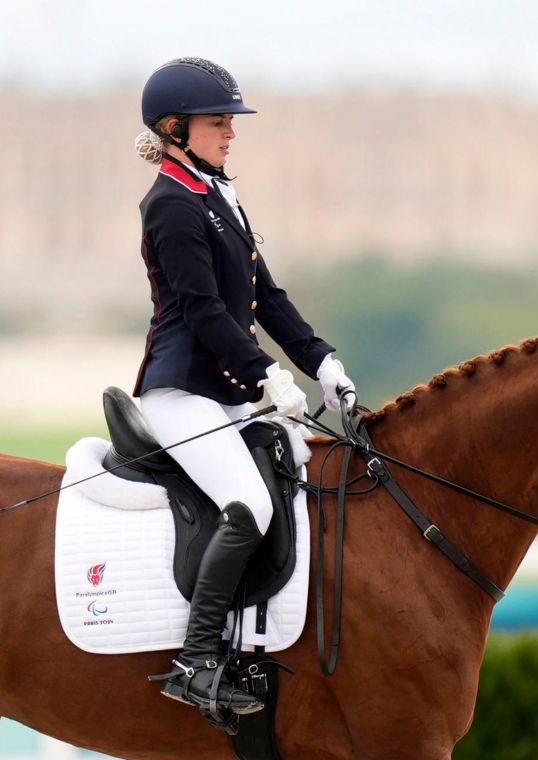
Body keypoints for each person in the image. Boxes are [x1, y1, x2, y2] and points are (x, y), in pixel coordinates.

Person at [131, 57, 357, 718]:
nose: (230, 132)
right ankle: (196, 661)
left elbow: (266, 299)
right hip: (181, 392)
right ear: (175, 129)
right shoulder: (171, 203)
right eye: (218, 122)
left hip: (224, 390)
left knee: (304, 472)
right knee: (249, 504)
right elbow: (202, 310)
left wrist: (322, 362)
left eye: (230, 121)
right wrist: (266, 376)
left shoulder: (215, 192)